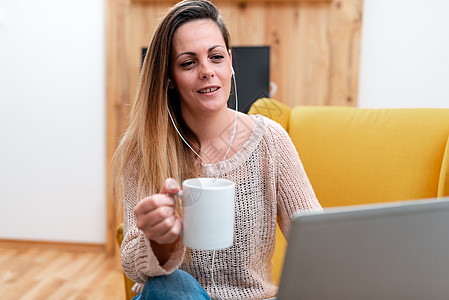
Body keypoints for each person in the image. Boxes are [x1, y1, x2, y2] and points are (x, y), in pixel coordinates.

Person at [112, 0, 322, 299]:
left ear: (230, 62)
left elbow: (315, 240)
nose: (207, 71)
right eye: (188, 62)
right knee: (172, 285)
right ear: (170, 77)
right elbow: (133, 266)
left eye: (216, 57)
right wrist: (160, 242)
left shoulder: (270, 140)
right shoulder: (144, 150)